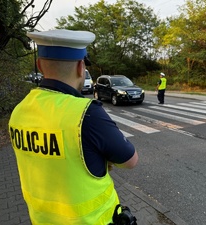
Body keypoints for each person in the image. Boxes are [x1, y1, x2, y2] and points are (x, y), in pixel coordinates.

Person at [8, 29, 138, 225]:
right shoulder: (86, 113)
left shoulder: (19, 111)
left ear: (40, 65)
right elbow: (130, 160)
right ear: (80, 67)